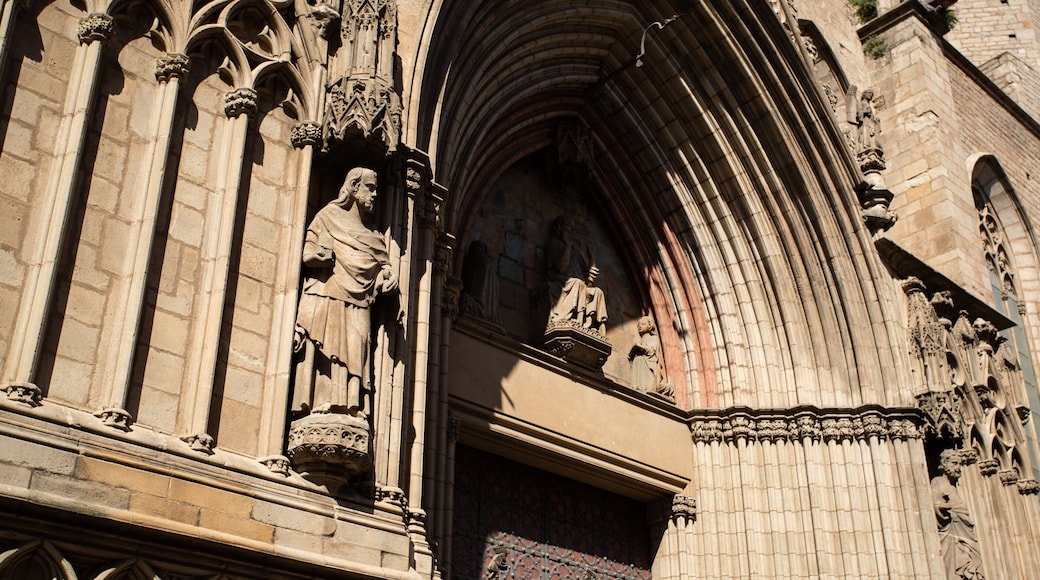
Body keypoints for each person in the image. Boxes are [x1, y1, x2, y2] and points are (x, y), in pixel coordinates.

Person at [292, 167, 398, 417]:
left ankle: (352, 406)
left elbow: (383, 266)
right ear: (353, 187)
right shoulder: (327, 216)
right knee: (325, 343)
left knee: (357, 345)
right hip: (326, 291)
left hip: (359, 302)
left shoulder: (375, 235)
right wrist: (318, 256)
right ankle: (319, 403)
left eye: (377, 190)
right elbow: (308, 253)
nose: (374, 195)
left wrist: (387, 278)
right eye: (370, 188)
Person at [545, 215, 607, 334]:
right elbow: (561, 269)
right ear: (559, 228)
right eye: (569, 227)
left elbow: (589, 281)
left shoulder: (577, 253)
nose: (572, 232)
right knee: (577, 283)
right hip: (561, 283)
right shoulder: (553, 244)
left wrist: (592, 258)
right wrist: (567, 245)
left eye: (573, 229)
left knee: (597, 292)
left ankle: (596, 327)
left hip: (577, 287)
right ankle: (577, 321)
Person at [931, 450, 985, 579]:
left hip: (964, 535)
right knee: (955, 568)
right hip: (952, 536)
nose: (958, 468)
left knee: (970, 567)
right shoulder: (938, 482)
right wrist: (948, 509)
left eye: (959, 464)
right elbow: (935, 505)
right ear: (944, 464)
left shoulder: (953, 487)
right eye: (954, 463)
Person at [629, 316, 665, 392]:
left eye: (643, 324)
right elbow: (630, 356)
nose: (640, 326)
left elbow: (652, 352)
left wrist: (640, 346)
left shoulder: (653, 339)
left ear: (649, 326)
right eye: (638, 325)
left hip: (648, 363)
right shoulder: (637, 339)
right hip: (637, 362)